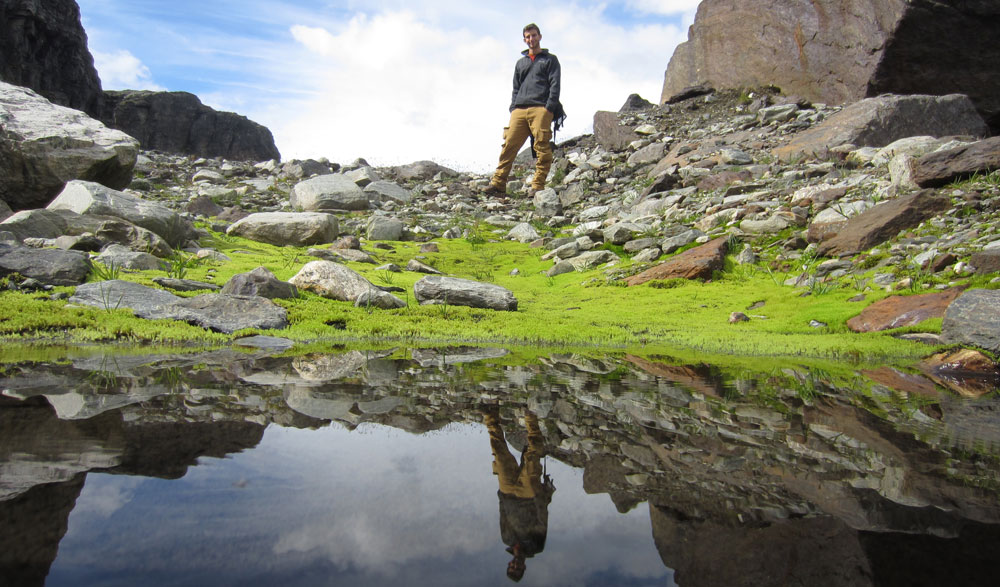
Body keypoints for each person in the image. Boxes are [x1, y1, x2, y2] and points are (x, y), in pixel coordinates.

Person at [485, 23, 565, 197]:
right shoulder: (520, 63)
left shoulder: (550, 60)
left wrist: (548, 108)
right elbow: (515, 87)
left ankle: (537, 186)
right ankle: (498, 184)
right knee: (508, 146)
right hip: (519, 110)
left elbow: (555, 85)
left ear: (540, 37)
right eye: (528, 37)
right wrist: (513, 107)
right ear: (524, 40)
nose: (531, 39)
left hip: (541, 108)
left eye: (534, 35)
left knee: (542, 146)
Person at [482, 406, 555, 582]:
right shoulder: (536, 546)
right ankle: (531, 417)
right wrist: (545, 495)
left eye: (512, 567)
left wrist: (501, 494)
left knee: (499, 455)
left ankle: (490, 416)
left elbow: (503, 516)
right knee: (532, 457)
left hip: (507, 493)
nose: (515, 565)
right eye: (518, 568)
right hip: (529, 496)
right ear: (523, 567)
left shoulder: (506, 539)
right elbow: (542, 519)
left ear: (509, 564)